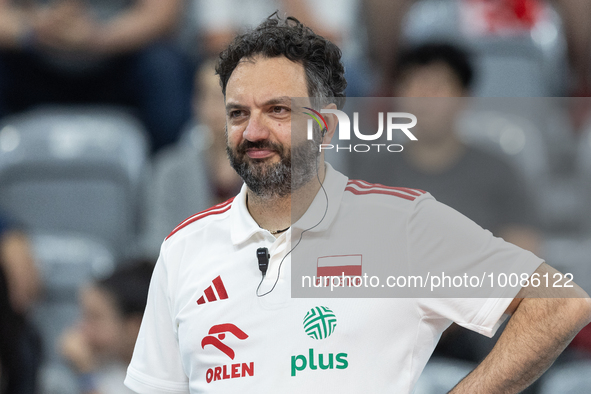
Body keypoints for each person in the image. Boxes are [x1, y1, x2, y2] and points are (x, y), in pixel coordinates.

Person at [125, 14, 591, 393]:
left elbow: (559, 303)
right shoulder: (183, 247)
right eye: (238, 113)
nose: (253, 132)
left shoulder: (401, 222)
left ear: (325, 128)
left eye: (278, 110)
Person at [0, 0, 192, 152]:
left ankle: (165, 185)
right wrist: (33, 32)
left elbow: (161, 15)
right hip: (33, 59)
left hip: (117, 59)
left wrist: (97, 39)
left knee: (164, 66)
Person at [60, 261, 153, 394]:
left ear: (135, 328)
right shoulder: (108, 368)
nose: (81, 328)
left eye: (95, 317)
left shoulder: (171, 380)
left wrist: (86, 376)